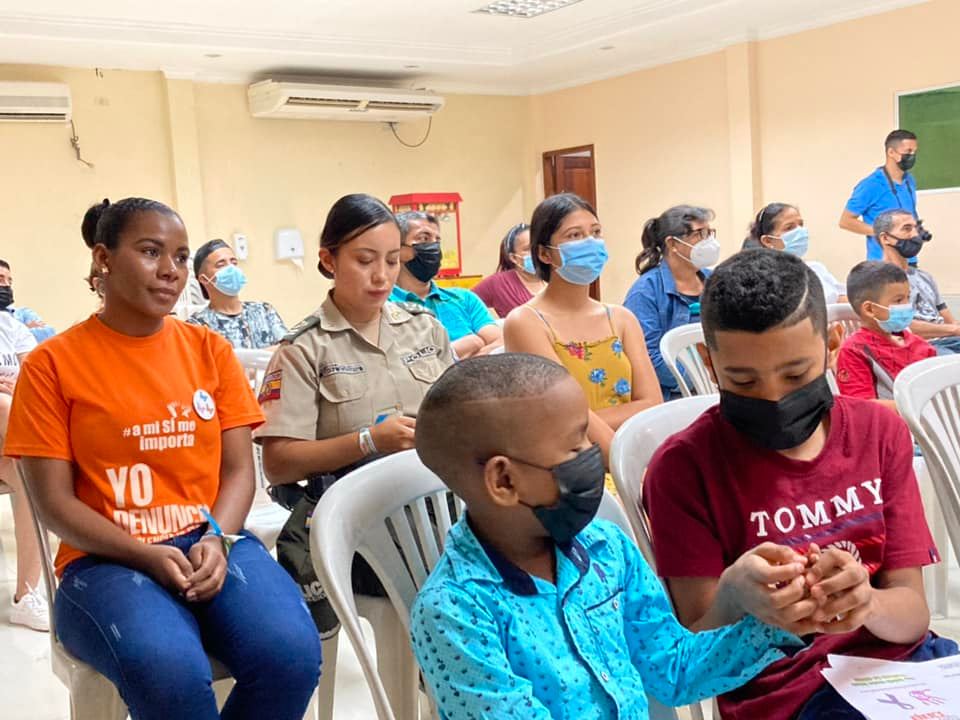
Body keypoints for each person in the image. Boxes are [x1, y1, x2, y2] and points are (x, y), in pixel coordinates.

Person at [4, 197, 321, 720]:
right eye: (151, 252)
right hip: (102, 559)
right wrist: (145, 555)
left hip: (210, 540)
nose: (171, 270)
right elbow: (53, 503)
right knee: (170, 673)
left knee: (291, 655)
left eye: (180, 256)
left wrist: (218, 537)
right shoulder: (51, 366)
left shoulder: (208, 350)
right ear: (103, 259)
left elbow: (239, 472)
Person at [642, 249, 955, 720]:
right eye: (743, 381)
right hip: (787, 694)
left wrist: (866, 602)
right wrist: (734, 592)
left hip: (906, 672)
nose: (774, 398)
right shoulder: (683, 468)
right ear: (709, 363)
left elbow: (912, 616)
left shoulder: (878, 433)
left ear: (831, 344)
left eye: (796, 374)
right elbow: (694, 650)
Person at [410, 353, 803, 720]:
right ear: (504, 480)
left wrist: (788, 618)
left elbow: (672, 669)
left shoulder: (605, 549)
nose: (593, 452)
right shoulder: (454, 612)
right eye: (575, 446)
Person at [256, 194, 454, 637]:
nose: (382, 275)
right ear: (329, 260)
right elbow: (280, 462)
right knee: (450, 589)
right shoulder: (304, 349)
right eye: (365, 260)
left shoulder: (424, 327)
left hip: (442, 504)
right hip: (363, 524)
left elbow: (463, 415)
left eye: (392, 260)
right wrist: (368, 441)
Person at [504, 193, 661, 460]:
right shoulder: (526, 322)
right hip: (570, 462)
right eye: (575, 235)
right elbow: (564, 411)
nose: (590, 242)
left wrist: (584, 423)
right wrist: (628, 468)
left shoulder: (621, 318)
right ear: (544, 253)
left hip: (628, 453)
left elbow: (651, 404)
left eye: (596, 232)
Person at [623, 205, 720, 400]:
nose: (708, 241)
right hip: (673, 398)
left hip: (720, 389)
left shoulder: (716, 281)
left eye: (709, 233)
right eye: (699, 234)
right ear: (672, 243)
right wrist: (702, 380)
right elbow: (648, 358)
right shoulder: (645, 293)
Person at [389, 211, 501, 358]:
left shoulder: (465, 299)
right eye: (424, 238)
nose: (434, 247)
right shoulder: (384, 305)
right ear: (398, 249)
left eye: (437, 240)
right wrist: (469, 345)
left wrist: (456, 361)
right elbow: (404, 361)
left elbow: (500, 343)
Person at [0, 309, 47, 630]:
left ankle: (27, 594)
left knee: (28, 482)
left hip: (8, 443)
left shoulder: (11, 327)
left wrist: (18, 387)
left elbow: (36, 380)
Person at [836, 261, 935, 412]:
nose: (907, 306)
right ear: (870, 309)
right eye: (898, 300)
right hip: (892, 424)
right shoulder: (855, 351)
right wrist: (917, 408)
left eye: (908, 298)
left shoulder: (921, 345)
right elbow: (860, 406)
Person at [874, 209, 960, 355]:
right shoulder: (879, 279)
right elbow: (898, 328)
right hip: (914, 347)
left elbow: (950, 321)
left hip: (947, 341)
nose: (915, 235)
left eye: (916, 228)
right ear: (886, 238)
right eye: (907, 229)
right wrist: (951, 329)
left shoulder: (924, 277)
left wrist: (953, 328)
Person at [187, 239, 288, 349]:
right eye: (221, 265)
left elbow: (286, 349)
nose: (231, 268)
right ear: (204, 279)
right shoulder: (197, 326)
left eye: (234, 263)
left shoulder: (263, 311)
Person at [840, 129, 922, 263]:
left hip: (909, 260)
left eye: (914, 152)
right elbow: (845, 221)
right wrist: (884, 233)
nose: (912, 156)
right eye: (908, 152)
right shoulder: (871, 185)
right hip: (883, 263)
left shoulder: (909, 180)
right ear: (891, 152)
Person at [742, 202, 847, 304]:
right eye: (789, 228)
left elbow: (842, 297)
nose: (800, 231)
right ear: (768, 241)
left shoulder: (816, 268)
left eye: (801, 224)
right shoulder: (766, 280)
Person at [472, 222, 545, 317]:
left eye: (537, 246)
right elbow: (462, 304)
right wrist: (488, 325)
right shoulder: (499, 283)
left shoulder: (556, 277)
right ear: (513, 258)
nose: (535, 252)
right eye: (527, 249)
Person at [0, 260, 55, 342]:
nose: (7, 285)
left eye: (10, 282)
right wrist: (25, 329)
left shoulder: (23, 313)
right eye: (0, 280)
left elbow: (48, 335)